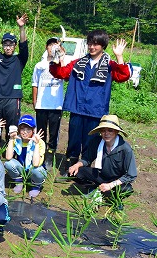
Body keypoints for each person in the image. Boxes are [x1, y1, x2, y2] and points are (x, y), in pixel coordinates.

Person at [49, 30, 131, 171]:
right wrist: (56, 58)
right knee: (73, 140)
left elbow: (123, 76)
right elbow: (60, 73)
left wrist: (119, 56)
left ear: (103, 46)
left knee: (90, 142)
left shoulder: (109, 65)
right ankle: (70, 167)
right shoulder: (78, 63)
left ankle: (84, 169)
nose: (92, 47)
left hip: (95, 110)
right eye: (90, 44)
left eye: (96, 44)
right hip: (77, 108)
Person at [0, 14, 29, 140]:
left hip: (13, 99)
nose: (8, 47)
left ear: (14, 46)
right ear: (3, 45)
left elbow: (24, 45)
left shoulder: (19, 59)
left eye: (11, 44)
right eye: (5, 44)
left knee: (12, 128)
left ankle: (10, 150)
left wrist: (21, 28)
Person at [67, 115, 136, 199]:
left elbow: (131, 175)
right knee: (73, 173)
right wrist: (76, 165)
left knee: (127, 189)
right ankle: (95, 188)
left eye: (110, 130)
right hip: (100, 174)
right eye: (103, 131)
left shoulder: (125, 149)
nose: (106, 134)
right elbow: (87, 159)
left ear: (116, 132)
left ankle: (110, 195)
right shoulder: (96, 141)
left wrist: (111, 185)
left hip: (116, 179)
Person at [32, 37, 64, 168]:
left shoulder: (62, 64)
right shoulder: (39, 65)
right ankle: (41, 153)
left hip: (56, 106)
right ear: (46, 47)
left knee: (54, 133)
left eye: (55, 46)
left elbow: (66, 74)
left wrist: (61, 54)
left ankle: (50, 155)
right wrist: (35, 101)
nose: (53, 48)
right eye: (50, 45)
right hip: (41, 105)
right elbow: (35, 84)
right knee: (41, 131)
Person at [4, 115, 47, 198]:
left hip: (34, 171)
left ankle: (36, 186)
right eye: (23, 129)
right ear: (19, 129)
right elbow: (8, 157)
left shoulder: (40, 142)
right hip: (22, 169)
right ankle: (19, 181)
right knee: (8, 163)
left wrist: (37, 144)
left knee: (37, 170)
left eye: (28, 129)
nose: (25, 132)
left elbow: (35, 164)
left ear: (33, 130)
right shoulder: (17, 140)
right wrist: (11, 139)